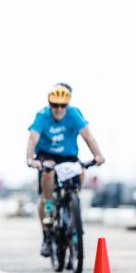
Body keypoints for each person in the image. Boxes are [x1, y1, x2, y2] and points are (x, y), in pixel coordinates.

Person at [26, 83, 104, 257]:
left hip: (68, 156)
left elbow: (88, 137)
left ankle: (73, 198)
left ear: (67, 105)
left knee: (81, 169)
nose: (59, 109)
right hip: (46, 155)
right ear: (50, 104)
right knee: (48, 172)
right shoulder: (42, 116)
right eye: (55, 105)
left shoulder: (74, 114)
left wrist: (98, 155)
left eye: (63, 106)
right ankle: (47, 222)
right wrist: (30, 159)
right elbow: (32, 139)